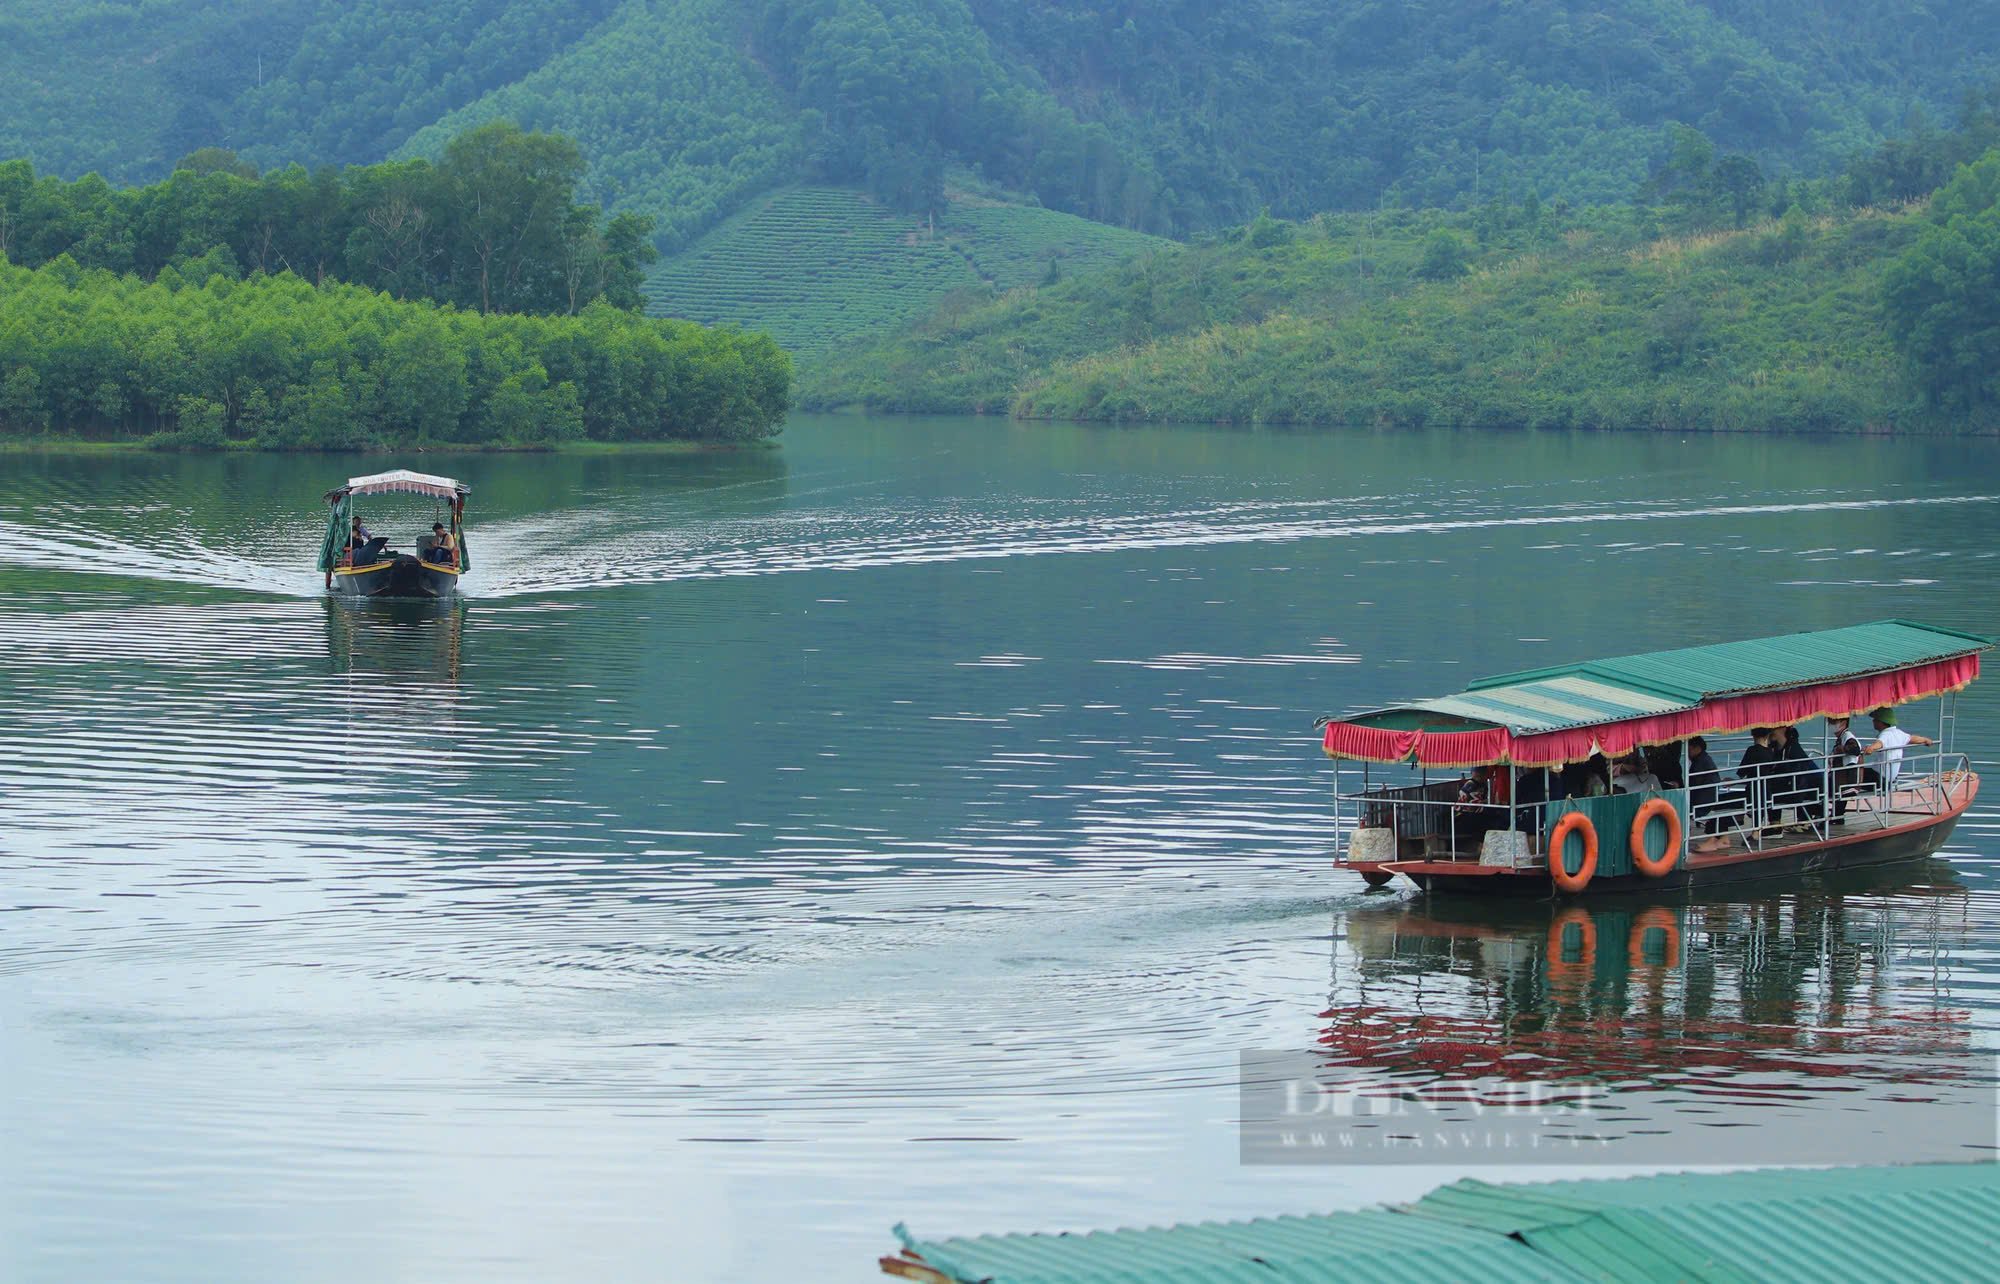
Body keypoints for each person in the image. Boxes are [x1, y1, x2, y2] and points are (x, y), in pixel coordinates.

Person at [1860, 707, 1934, 788]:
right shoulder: (1898, 733)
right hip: (1890, 779)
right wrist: (1925, 740)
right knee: (1859, 772)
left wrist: (1871, 748)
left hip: (1879, 779)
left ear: (1881, 722)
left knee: (1850, 774)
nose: (1873, 721)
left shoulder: (1885, 735)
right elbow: (1912, 738)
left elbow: (1879, 743)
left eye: (1875, 719)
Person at [1827, 715, 1865, 821]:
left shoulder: (1848, 737)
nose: (1831, 725)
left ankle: (1833, 816)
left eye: (1833, 722)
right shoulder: (1842, 737)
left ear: (1843, 723)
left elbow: (1855, 749)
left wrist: (1841, 749)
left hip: (1848, 778)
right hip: (1841, 777)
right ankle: (1837, 816)